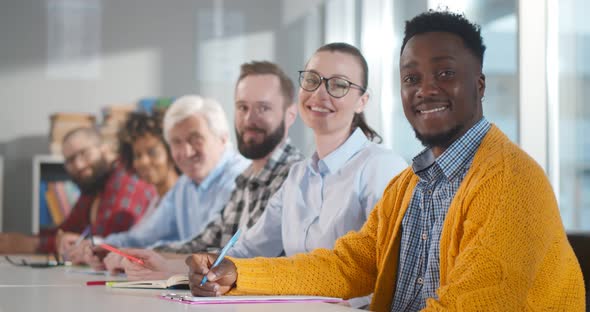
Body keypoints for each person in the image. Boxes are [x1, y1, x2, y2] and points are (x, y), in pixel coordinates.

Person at [185, 11, 586, 311]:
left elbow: (472, 303)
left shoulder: (512, 182)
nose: (425, 90)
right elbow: (348, 266)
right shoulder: (411, 184)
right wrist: (238, 274)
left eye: (445, 73)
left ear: (480, 84)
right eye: (411, 78)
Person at [173, 42, 405, 308]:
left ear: (362, 101)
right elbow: (250, 250)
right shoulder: (298, 175)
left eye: (339, 85)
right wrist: (211, 266)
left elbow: (383, 271)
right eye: (312, 80)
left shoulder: (382, 168)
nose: (320, 93)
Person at [94, 61, 305, 275]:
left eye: (263, 108)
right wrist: (138, 255)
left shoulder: (294, 174)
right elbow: (204, 243)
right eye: (243, 107)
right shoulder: (247, 177)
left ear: (290, 115)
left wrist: (163, 264)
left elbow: (246, 257)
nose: (249, 119)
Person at [80, 95, 250, 261]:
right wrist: (103, 247)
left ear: (223, 137)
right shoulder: (185, 185)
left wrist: (134, 255)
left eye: (195, 139)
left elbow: (209, 248)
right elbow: (144, 236)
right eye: (176, 142)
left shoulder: (240, 179)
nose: (186, 152)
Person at [0, 127, 157, 255]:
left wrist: (33, 245)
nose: (79, 165)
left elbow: (103, 239)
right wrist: (21, 240)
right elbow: (67, 229)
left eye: (84, 153)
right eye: (70, 160)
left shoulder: (126, 179)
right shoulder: (94, 184)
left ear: (105, 149)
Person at [64, 111, 180, 262]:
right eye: (137, 155)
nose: (143, 162)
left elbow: (153, 245)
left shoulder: (183, 195)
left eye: (152, 152)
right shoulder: (156, 201)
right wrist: (98, 245)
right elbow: (137, 238)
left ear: (171, 151)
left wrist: (108, 248)